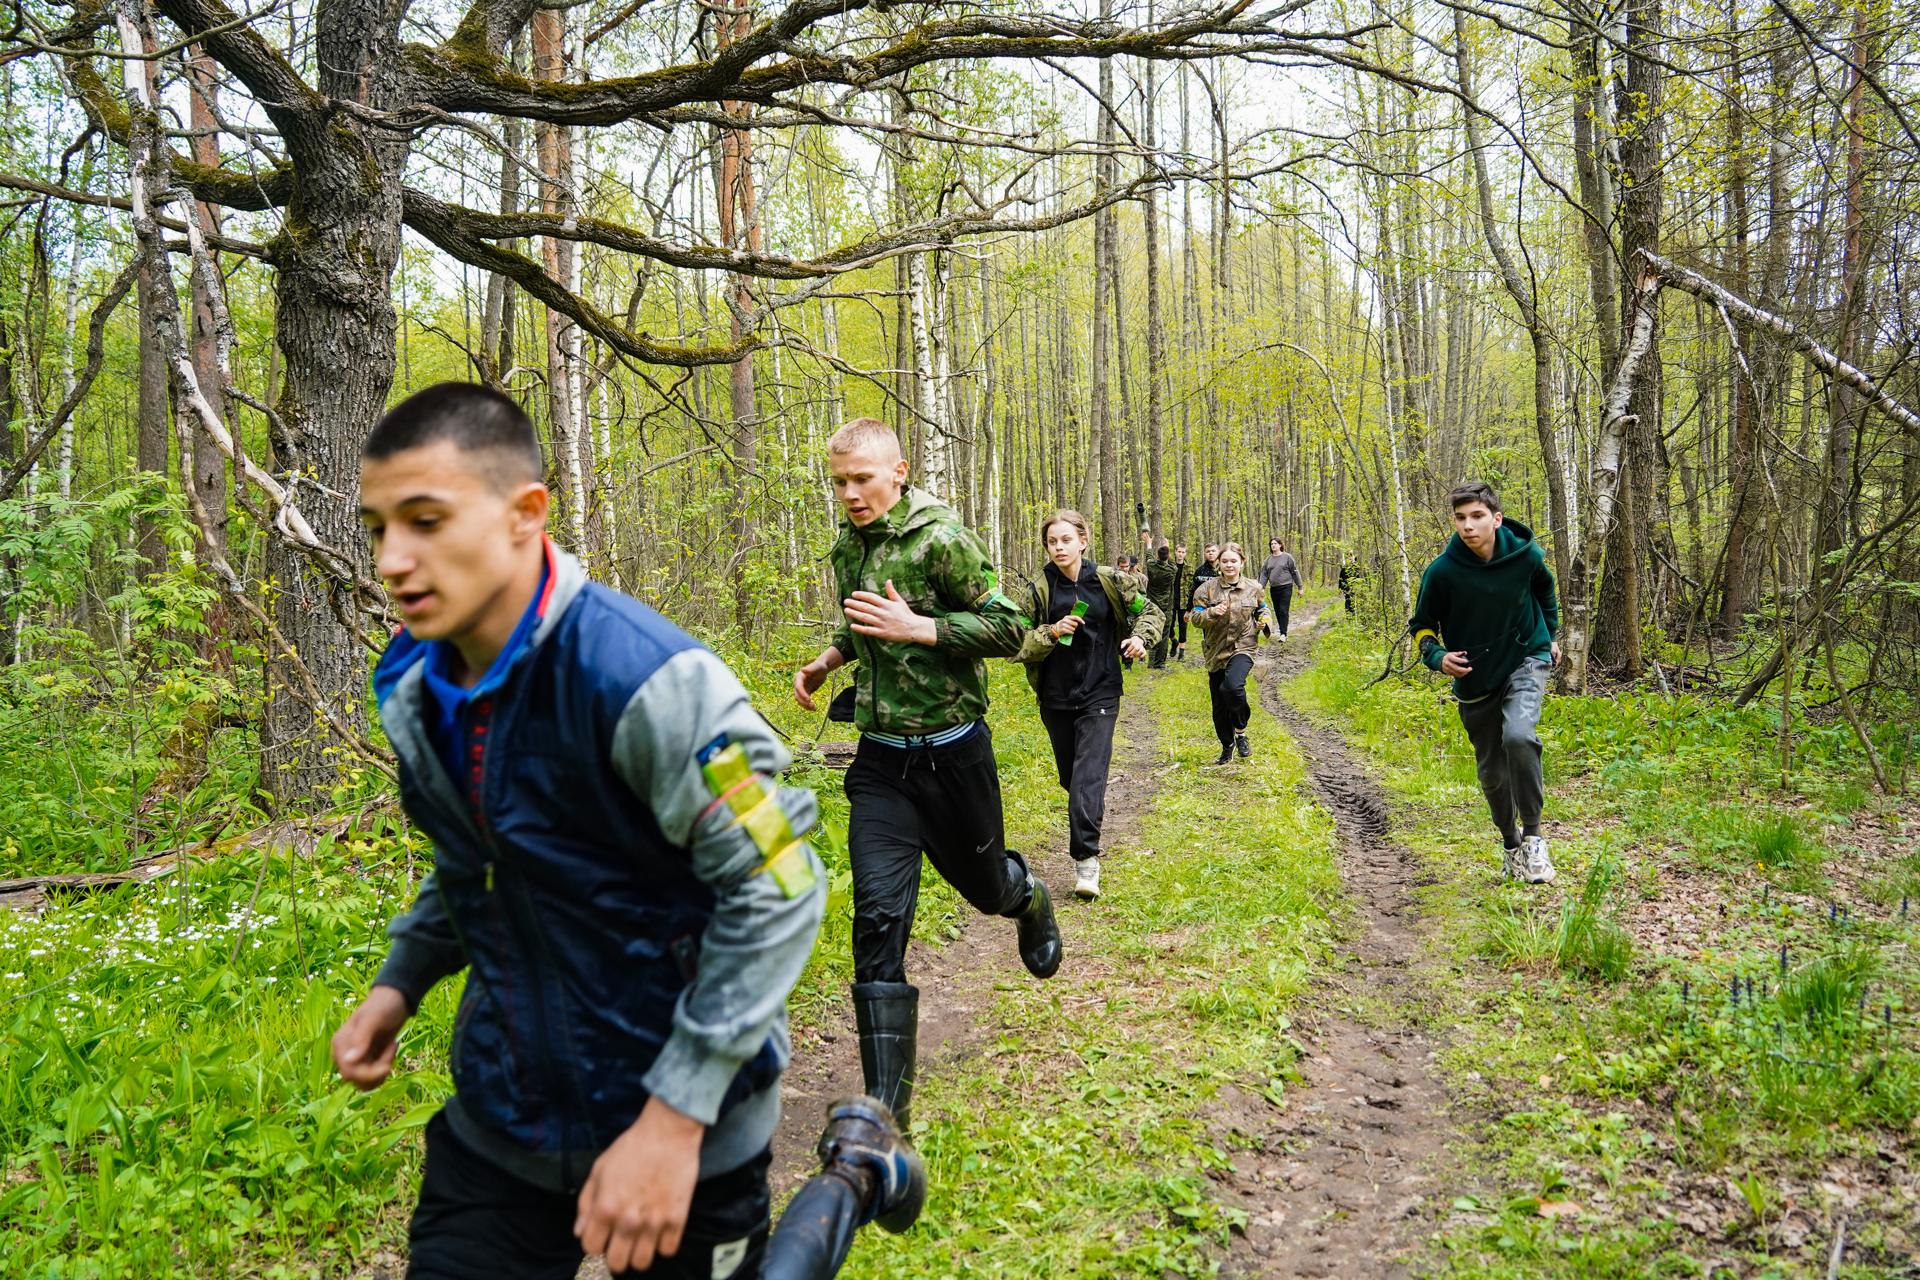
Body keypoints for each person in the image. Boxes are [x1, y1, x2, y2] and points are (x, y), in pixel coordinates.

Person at [334, 383, 859, 1280]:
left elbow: (782, 886)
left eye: (425, 520)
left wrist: (673, 1118)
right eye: (379, 526)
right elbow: (482, 854)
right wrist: (402, 979)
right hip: (506, 1117)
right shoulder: (417, 689)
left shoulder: (654, 682)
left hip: (690, 1129)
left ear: (524, 514)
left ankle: (854, 1175)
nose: (392, 558)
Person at [791, 418, 1063, 1219]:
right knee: (878, 917)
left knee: (984, 889)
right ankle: (887, 1123)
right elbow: (863, 617)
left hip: (953, 758)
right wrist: (833, 656)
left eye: (863, 480)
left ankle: (1027, 894)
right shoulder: (849, 542)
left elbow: (1013, 629)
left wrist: (923, 628)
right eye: (838, 481)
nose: (850, 495)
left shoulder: (943, 537)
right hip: (881, 762)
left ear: (898, 472)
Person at [1409, 481, 1562, 885]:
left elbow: (1544, 590)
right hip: (1476, 678)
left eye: (1476, 516)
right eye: (1460, 518)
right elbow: (1421, 626)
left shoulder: (1526, 556)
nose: (1467, 526)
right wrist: (1438, 657)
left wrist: (1551, 634)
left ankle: (1534, 838)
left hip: (1526, 658)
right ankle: (1510, 844)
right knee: (1493, 774)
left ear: (1496, 518)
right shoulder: (1442, 572)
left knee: (1519, 735)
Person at [1015, 510, 1165, 901]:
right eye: (1052, 541)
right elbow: (1011, 639)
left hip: (1101, 691)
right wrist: (1051, 631)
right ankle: (1086, 818)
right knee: (1073, 779)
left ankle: (1086, 861)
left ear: (1083, 541)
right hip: (1056, 697)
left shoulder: (1110, 581)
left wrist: (1141, 640)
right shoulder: (1039, 590)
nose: (1059, 547)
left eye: (1066, 540)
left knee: (1087, 778)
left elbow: (1150, 611)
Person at [1190, 543, 1266, 765]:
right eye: (1225, 561)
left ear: (1242, 562)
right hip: (1215, 649)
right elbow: (1195, 617)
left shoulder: (1254, 587)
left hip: (1244, 646)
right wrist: (1212, 612)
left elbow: (1263, 608)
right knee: (1219, 706)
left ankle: (1241, 730)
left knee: (1232, 686)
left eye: (1234, 561)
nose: (1229, 565)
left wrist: (1264, 621)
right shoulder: (1206, 590)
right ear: (1219, 564)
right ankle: (1228, 745)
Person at [1258, 537, 1305, 642]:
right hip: (1274, 588)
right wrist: (1261, 587)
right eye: (1271, 544)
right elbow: (1264, 574)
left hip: (1286, 587)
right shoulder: (1268, 560)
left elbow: (1294, 572)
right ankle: (1281, 630)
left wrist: (1300, 587)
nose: (1273, 545)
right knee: (1278, 611)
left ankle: (1283, 634)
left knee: (1283, 610)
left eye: (1275, 543)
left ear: (1280, 545)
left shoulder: (1287, 557)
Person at [1144, 541, 1178, 669]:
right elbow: (1173, 563)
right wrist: (1168, 547)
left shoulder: (1151, 565)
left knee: (1153, 631)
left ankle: (1151, 662)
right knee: (1164, 634)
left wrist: (1149, 545)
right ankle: (1160, 663)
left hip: (1152, 605)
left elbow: (1149, 557)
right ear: (1168, 556)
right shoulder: (1172, 570)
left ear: (1157, 556)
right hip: (1166, 607)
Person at [1170, 545, 1193, 660]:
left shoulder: (1189, 568)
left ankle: (1182, 652)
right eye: (1179, 551)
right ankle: (1174, 641)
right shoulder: (1170, 566)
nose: (1180, 554)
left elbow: (1192, 586)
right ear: (1175, 552)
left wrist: (1191, 604)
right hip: (1171, 601)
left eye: (1183, 552)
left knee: (1183, 627)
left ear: (1185, 554)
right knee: (1169, 625)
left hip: (1184, 602)